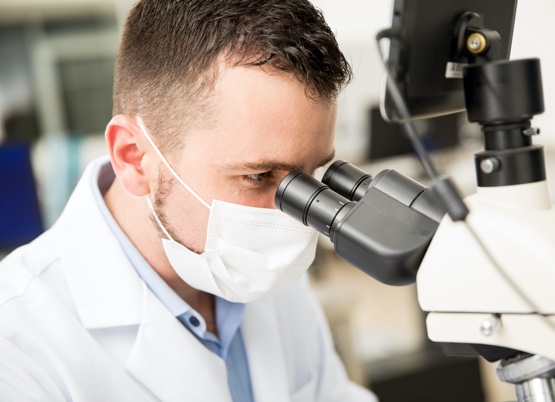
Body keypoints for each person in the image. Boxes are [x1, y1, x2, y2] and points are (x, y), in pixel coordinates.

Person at [0, 0, 378, 400]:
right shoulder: (19, 347)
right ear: (133, 157)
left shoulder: (261, 268)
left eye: (309, 177)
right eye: (257, 176)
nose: (293, 219)